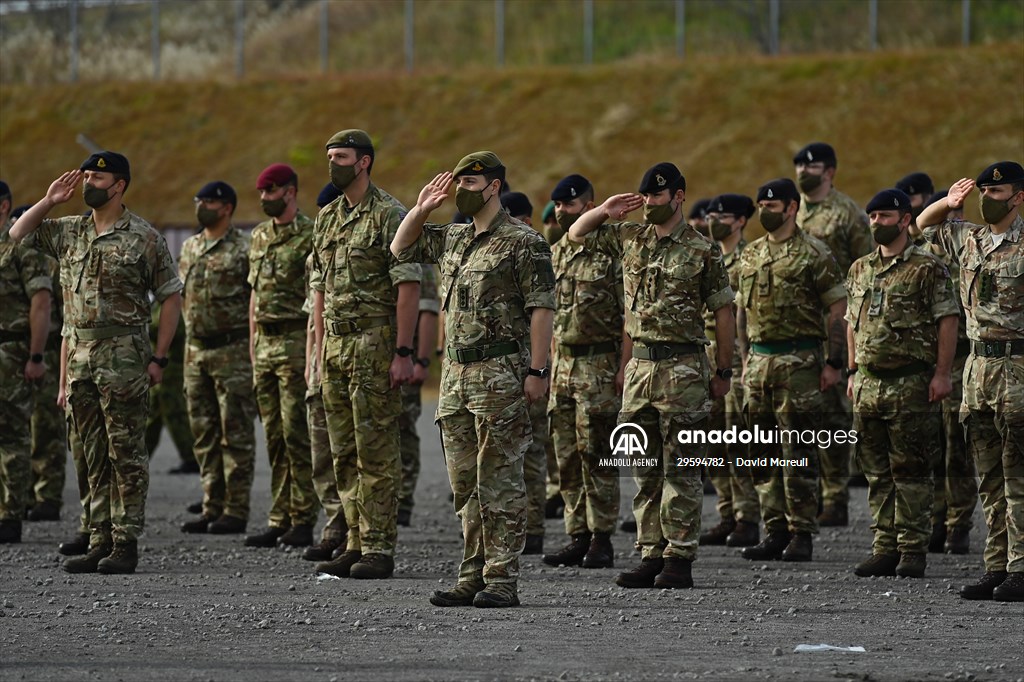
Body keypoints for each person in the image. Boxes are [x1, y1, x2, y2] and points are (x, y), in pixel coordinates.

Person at [392, 151, 554, 608]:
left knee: (499, 480)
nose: (462, 190)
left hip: (501, 375)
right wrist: (422, 208)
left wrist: (538, 370)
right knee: (465, 485)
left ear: (494, 186)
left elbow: (541, 309)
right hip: (457, 377)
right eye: (458, 181)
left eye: (471, 182)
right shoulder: (455, 239)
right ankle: (471, 575)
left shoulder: (525, 243)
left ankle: (501, 579)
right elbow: (400, 248)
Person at [10, 152, 183, 574]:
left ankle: (125, 541)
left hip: (123, 356)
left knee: (125, 452)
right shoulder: (70, 231)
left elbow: (171, 297)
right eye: (86, 174)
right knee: (89, 454)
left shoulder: (143, 236)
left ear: (119, 184)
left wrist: (159, 357)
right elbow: (16, 233)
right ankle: (98, 535)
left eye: (97, 176)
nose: (88, 182)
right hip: (80, 358)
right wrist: (50, 200)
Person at [569, 162, 735, 589]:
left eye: (657, 197)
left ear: (678, 197)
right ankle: (649, 552)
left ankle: (679, 558)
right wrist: (604, 209)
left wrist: (723, 369)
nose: (648, 204)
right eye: (644, 197)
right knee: (643, 467)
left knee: (681, 467)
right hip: (641, 367)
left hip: (684, 367)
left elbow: (723, 311)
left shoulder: (703, 249)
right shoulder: (632, 238)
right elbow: (576, 234)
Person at [310, 130, 420, 580]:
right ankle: (354, 538)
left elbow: (408, 287)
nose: (333, 163)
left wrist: (403, 352)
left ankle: (377, 547)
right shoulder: (329, 217)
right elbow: (319, 287)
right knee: (343, 450)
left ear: (364, 163)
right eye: (330, 156)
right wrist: (318, 348)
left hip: (374, 345)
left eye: (342, 157)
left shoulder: (390, 213)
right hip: (336, 346)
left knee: (376, 449)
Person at [917, 161, 1024, 603]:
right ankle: (995, 565)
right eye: (983, 191)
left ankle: (1020, 568)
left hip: (1018, 368)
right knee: (989, 478)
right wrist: (948, 202)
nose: (987, 198)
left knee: (1018, 477)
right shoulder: (971, 238)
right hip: (978, 372)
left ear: (1018, 197)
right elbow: (923, 226)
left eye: (996, 193)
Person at [846, 188, 959, 579]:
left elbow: (948, 319)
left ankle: (912, 549)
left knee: (911, 471)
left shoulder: (927, 267)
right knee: (876, 473)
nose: (877, 223)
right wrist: (852, 369)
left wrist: (942, 373)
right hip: (868, 384)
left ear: (905, 220)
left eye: (885, 217)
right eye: (872, 217)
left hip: (910, 383)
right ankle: (884, 546)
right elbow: (851, 323)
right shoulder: (860, 268)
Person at [736, 178, 847, 563]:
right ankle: (775, 528)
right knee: (761, 452)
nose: (765, 211)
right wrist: (744, 354)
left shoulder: (814, 253)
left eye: (773, 206)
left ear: (791, 208)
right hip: (759, 363)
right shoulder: (749, 255)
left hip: (800, 362)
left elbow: (837, 310)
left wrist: (834, 362)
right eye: (760, 205)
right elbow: (741, 310)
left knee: (797, 451)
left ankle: (801, 532)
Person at [541, 174, 626, 570]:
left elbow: (631, 315)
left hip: (600, 363)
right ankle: (577, 533)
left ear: (589, 206)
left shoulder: (614, 251)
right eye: (558, 205)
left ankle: (602, 536)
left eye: (570, 205)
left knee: (599, 454)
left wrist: (625, 366)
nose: (562, 211)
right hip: (564, 367)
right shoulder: (556, 254)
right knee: (566, 457)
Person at [793, 142, 870, 526]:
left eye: (813, 166)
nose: (804, 171)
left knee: (835, 418)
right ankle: (807, 497)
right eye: (799, 166)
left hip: (836, 324)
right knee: (802, 419)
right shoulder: (794, 211)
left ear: (830, 172)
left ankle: (836, 498)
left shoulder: (848, 214)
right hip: (799, 327)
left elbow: (866, 269)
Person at [178, 181, 258, 536]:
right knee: (203, 432)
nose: (202, 206)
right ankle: (212, 504)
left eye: (209, 201)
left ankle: (236, 509)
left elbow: (255, 298)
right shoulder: (190, 246)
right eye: (199, 200)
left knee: (235, 433)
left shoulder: (244, 248)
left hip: (232, 350)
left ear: (226, 207)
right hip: (195, 351)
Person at [245, 163, 318, 549]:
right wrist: (252, 343)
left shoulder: (310, 234)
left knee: (296, 432)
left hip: (293, 340)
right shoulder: (258, 237)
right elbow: (254, 295)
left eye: (270, 191)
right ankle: (279, 516)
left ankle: (303, 516)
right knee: (273, 434)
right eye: (261, 192)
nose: (264, 198)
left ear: (290, 191)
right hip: (265, 343)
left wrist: (312, 351)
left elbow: (315, 297)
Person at [698, 193, 760, 548]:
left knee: (739, 441)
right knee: (713, 443)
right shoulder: (707, 255)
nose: (714, 220)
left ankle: (748, 516)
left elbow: (748, 314)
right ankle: (726, 513)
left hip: (737, 356)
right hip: (706, 355)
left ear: (739, 221)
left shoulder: (750, 258)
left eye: (722, 215)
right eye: (711, 213)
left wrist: (744, 359)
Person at [917, 189, 977, 555]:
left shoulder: (967, 253)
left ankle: (959, 523)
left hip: (961, 362)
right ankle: (936, 518)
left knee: (958, 448)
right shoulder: (920, 259)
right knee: (931, 447)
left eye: (959, 215)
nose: (955, 222)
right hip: (926, 363)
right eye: (949, 215)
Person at [0, 180, 53, 543]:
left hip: (10, 352)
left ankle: (8, 514)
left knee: (12, 436)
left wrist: (35, 355)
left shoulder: (21, 245)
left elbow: (41, 302)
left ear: (4, 206)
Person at [302, 182, 348, 562]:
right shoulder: (318, 253)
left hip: (351, 354)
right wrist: (310, 360)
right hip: (322, 357)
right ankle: (334, 522)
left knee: (351, 450)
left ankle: (357, 529)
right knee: (322, 450)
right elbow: (312, 318)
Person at [500, 190, 548, 554]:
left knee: (530, 453)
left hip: (528, 367)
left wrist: (538, 369)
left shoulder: (532, 250)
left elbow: (541, 313)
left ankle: (532, 528)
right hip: (499, 372)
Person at [145, 300, 195, 473]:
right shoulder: (155, 303)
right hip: (159, 368)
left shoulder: (172, 304)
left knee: (174, 413)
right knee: (153, 415)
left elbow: (177, 330)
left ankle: (191, 456)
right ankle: (140, 457)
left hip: (171, 367)